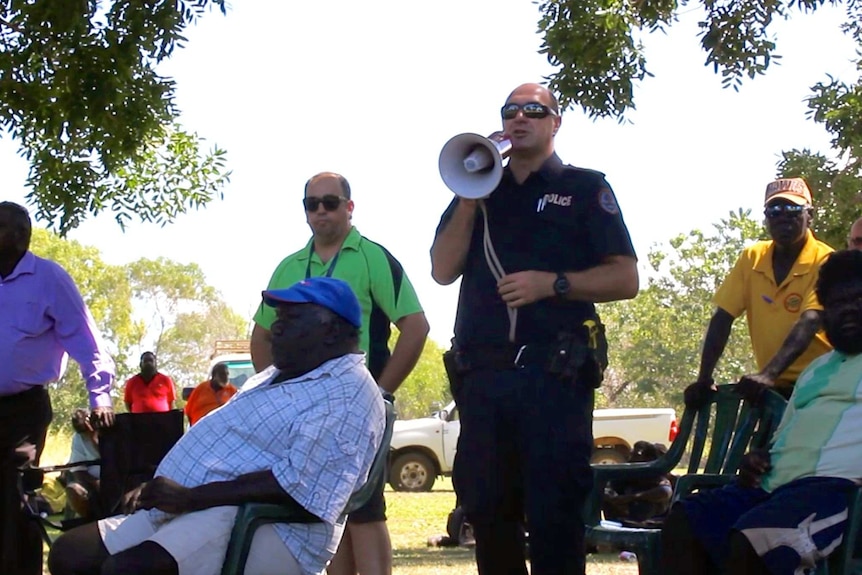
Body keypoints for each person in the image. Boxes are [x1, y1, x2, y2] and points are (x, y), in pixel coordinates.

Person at [430, 83, 639, 575]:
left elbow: (625, 277)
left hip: (553, 378)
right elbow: (442, 268)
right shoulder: (478, 193)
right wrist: (468, 193)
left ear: (555, 122)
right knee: (487, 509)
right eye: (510, 112)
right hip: (484, 381)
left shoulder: (586, 188)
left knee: (554, 513)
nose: (519, 119)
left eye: (533, 110)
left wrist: (554, 284)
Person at [48, 276, 387, 575]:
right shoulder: (282, 375)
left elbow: (298, 488)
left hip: (268, 526)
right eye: (278, 316)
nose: (276, 327)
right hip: (201, 507)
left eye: (291, 317)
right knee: (70, 555)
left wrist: (190, 496)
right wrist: (166, 485)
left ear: (331, 330)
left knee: (129, 569)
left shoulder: (347, 391)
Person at [250, 171, 429, 575]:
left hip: (358, 407)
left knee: (364, 507)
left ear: (349, 207)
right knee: (323, 511)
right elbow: (260, 338)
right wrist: (279, 397)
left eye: (330, 202)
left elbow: (415, 327)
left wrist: (380, 394)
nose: (320, 212)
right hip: (304, 414)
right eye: (311, 204)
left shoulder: (372, 257)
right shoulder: (289, 266)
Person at [661, 249, 862, 575]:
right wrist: (758, 459)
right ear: (825, 315)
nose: (849, 310)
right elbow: (784, 437)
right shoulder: (816, 370)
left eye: (859, 298)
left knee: (757, 539)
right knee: (686, 521)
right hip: (772, 489)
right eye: (837, 304)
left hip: (838, 492)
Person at [0, 201, 115, 575]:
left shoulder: (49, 279)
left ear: (20, 236)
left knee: (11, 495)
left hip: (21, 411)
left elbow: (87, 342)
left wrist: (100, 396)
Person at [685, 178, 834, 407]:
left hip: (819, 385)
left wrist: (768, 374)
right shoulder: (752, 257)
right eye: (774, 210)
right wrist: (704, 378)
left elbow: (811, 320)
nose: (783, 216)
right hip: (773, 389)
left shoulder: (825, 260)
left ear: (810, 215)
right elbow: (723, 318)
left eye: (793, 209)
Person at [602, 441, 673, 527]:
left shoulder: (656, 479)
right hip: (620, 522)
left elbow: (665, 492)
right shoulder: (628, 477)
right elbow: (607, 488)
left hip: (650, 524)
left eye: (635, 456)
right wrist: (613, 498)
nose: (630, 460)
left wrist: (630, 498)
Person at [65, 408, 102, 519]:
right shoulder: (78, 437)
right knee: (74, 489)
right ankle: (86, 520)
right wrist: (96, 483)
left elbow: (111, 459)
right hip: (92, 483)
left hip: (117, 481)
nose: (84, 434)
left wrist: (93, 438)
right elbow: (78, 469)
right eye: (81, 432)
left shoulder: (111, 431)